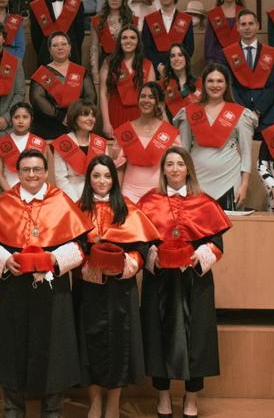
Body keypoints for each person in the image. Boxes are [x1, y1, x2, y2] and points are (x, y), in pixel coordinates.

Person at [0, 148, 92, 418]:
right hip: (13, 292)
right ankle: (12, 410)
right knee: (11, 353)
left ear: (45, 172)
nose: (31, 174)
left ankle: (52, 411)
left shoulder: (61, 201)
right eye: (26, 169)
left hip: (54, 293)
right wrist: (5, 261)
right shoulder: (5, 202)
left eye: (37, 169)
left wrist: (55, 260)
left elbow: (81, 243)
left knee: (56, 355)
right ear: (18, 172)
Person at [138, 147, 230, 418]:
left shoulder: (204, 202)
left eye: (180, 164)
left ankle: (191, 399)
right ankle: (163, 397)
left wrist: (194, 258)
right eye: (170, 164)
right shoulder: (148, 202)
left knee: (196, 340)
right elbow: (142, 242)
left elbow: (217, 244)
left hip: (194, 281)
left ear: (188, 168)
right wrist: (153, 256)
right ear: (163, 169)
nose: (175, 169)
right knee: (158, 337)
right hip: (160, 281)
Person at [77, 156, 160, 418]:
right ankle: (95, 402)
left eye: (107, 176)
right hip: (87, 288)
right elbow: (70, 245)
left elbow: (142, 248)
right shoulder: (77, 210)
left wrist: (125, 264)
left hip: (120, 289)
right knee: (88, 343)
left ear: (115, 179)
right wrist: (90, 265)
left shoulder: (129, 210)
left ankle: (113, 403)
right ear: (89, 180)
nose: (102, 181)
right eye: (96, 176)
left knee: (118, 344)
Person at [174, 65, 256, 211]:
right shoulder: (190, 112)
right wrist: (181, 183)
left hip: (229, 181)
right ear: (204, 84)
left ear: (226, 84)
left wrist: (244, 185)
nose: (215, 85)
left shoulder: (240, 114)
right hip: (197, 181)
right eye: (210, 81)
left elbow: (246, 154)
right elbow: (183, 152)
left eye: (220, 81)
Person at [116, 82, 181, 203]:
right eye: (143, 96)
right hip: (129, 193)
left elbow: (176, 168)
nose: (146, 100)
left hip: (158, 194)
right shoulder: (126, 130)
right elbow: (120, 168)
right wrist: (116, 197)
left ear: (158, 102)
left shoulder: (169, 133)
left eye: (151, 97)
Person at [31, 31, 98, 140]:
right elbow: (37, 98)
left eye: (63, 44)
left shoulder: (81, 71)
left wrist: (76, 117)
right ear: (49, 50)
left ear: (70, 47)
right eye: (55, 45)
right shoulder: (41, 73)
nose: (60, 47)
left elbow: (91, 97)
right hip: (49, 127)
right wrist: (61, 116)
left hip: (78, 124)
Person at [224, 10, 274, 131]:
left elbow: (273, 86)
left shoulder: (270, 53)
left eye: (251, 23)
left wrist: (258, 111)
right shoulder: (229, 53)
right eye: (243, 24)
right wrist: (244, 112)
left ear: (257, 26)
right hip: (239, 115)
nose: (247, 28)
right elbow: (230, 85)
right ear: (237, 27)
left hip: (267, 116)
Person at [51, 100, 112, 202]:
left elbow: (106, 173)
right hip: (71, 194)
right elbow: (60, 179)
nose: (91, 119)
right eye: (85, 115)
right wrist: (76, 202)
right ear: (74, 118)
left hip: (98, 194)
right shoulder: (63, 143)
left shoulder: (100, 142)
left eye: (93, 116)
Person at [100, 26, 155, 136]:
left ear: (138, 42)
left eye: (132, 38)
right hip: (115, 113)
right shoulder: (108, 63)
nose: (128, 41)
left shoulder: (147, 65)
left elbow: (151, 97)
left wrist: (149, 122)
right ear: (119, 41)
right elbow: (103, 94)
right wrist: (106, 122)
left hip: (139, 115)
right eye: (124, 38)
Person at [29, 0, 87, 66]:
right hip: (45, 56)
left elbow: (79, 35)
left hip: (71, 55)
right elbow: (36, 37)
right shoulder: (37, 6)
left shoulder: (77, 4)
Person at [0, 102, 48, 193]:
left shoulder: (40, 143)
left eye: (25, 117)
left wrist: (34, 191)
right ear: (11, 120)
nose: (20, 121)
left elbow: (44, 172)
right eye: (16, 117)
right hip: (10, 191)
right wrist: (12, 195)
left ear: (31, 119)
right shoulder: (1, 144)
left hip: (35, 191)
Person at [141, 0, 194, 71]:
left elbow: (189, 48)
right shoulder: (149, 19)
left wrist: (177, 63)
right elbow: (146, 49)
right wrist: (159, 66)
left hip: (180, 69)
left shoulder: (186, 19)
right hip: (155, 70)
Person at [90, 0, 137, 82]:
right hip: (105, 62)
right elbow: (94, 47)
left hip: (128, 62)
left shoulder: (132, 20)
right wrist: (95, 73)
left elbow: (137, 47)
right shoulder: (97, 20)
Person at [204, 0, 246, 66]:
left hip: (240, 62)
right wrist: (211, 64)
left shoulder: (244, 13)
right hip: (218, 61)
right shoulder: (214, 14)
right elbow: (209, 43)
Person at [160, 43, 201, 119]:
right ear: (169, 61)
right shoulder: (163, 84)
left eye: (180, 55)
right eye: (172, 56)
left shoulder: (198, 82)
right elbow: (161, 111)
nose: (176, 59)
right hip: (170, 126)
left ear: (186, 59)